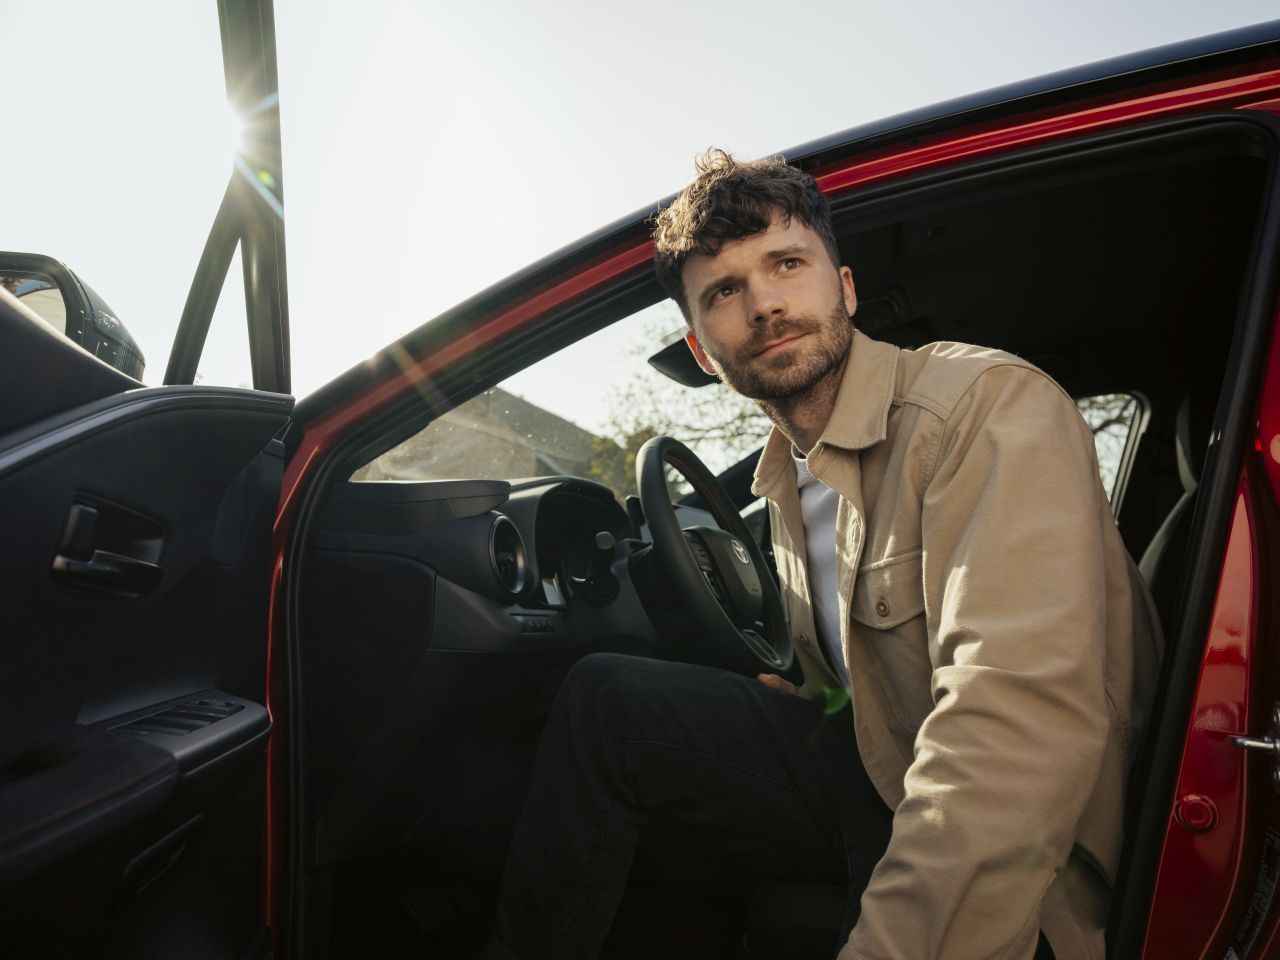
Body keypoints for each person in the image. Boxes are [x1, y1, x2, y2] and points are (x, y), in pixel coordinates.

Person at [480, 150, 1160, 960]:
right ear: (703, 352)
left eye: (786, 264)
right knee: (609, 700)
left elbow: (1015, 728)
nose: (764, 304)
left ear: (845, 288)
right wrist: (812, 695)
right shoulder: (784, 483)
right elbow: (862, 674)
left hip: (1017, 844)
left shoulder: (980, 408)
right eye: (724, 292)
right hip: (879, 767)